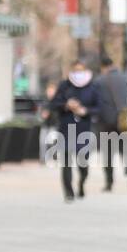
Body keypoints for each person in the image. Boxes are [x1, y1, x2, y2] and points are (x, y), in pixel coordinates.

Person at [49, 60, 101, 202]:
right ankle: (68, 192)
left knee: (83, 163)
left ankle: (81, 183)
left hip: (84, 130)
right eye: (75, 70)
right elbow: (53, 104)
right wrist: (66, 105)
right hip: (65, 129)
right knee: (66, 161)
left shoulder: (93, 87)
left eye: (80, 70)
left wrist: (86, 111)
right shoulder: (64, 86)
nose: (78, 73)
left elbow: (99, 107)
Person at [93, 54, 127, 191]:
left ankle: (109, 183)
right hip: (123, 120)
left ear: (103, 67)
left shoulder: (99, 81)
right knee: (125, 149)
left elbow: (96, 102)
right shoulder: (126, 78)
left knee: (107, 153)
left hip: (106, 122)